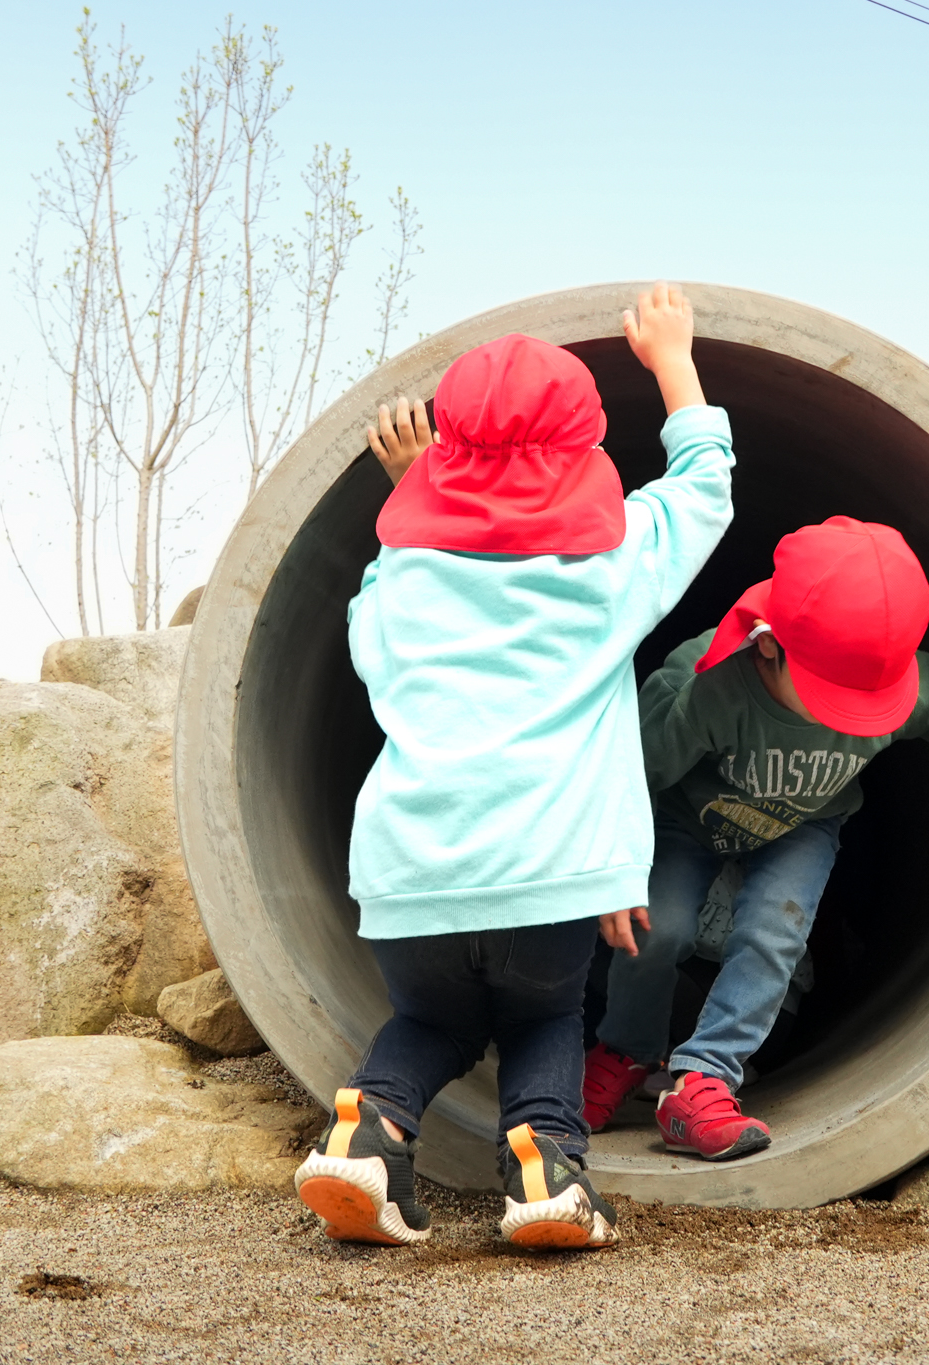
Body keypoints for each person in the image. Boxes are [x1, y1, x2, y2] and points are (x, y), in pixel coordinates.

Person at [292, 285, 732, 1248]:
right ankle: (546, 1167)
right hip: (548, 877)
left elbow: (368, 634)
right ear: (584, 455)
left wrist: (416, 492)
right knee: (545, 1018)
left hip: (412, 877)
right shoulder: (611, 568)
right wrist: (672, 362)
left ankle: (367, 1131)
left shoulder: (402, 580)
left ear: (445, 454)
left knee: (436, 1022)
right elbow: (705, 487)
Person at [583, 516, 929, 1160]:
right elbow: (635, 772)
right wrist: (609, 857)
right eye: (835, 698)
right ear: (769, 645)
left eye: (871, 701)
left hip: (804, 821)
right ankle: (627, 1047)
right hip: (692, 814)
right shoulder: (711, 685)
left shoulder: (901, 684)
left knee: (774, 933)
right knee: (654, 925)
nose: (853, 717)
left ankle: (705, 1076)